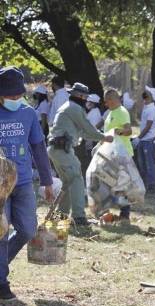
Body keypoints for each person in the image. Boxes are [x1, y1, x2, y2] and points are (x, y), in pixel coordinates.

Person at [0, 66, 54, 300]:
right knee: (1, 233)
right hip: (0, 187)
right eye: (10, 95)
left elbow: (38, 148)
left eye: (18, 95)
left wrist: (47, 180)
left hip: (22, 182)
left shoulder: (28, 113)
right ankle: (1, 282)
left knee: (28, 229)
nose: (15, 99)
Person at [47, 83, 114, 226]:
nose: (86, 100)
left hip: (58, 149)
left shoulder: (68, 107)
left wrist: (99, 137)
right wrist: (105, 137)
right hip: (62, 149)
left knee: (68, 182)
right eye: (85, 97)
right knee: (77, 179)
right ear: (80, 96)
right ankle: (79, 217)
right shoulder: (75, 108)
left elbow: (82, 132)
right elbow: (88, 129)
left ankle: (61, 216)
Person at [103, 89, 133, 223]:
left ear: (113, 99)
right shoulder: (110, 113)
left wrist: (118, 131)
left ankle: (125, 215)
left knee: (122, 185)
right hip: (111, 154)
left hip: (122, 154)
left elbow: (129, 130)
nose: (105, 103)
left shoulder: (121, 111)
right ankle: (108, 213)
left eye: (106, 100)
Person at [137, 86, 155, 194]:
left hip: (148, 141)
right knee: (142, 164)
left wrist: (138, 137)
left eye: (147, 93)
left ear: (151, 96)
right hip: (143, 141)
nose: (144, 94)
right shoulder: (146, 107)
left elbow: (148, 126)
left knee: (149, 164)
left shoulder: (152, 109)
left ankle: (151, 186)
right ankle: (144, 184)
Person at [84, 93, 103, 163]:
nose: (87, 103)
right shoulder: (93, 111)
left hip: (92, 140)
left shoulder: (95, 113)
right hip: (90, 138)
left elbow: (94, 128)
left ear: (93, 103)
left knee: (92, 157)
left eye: (88, 102)